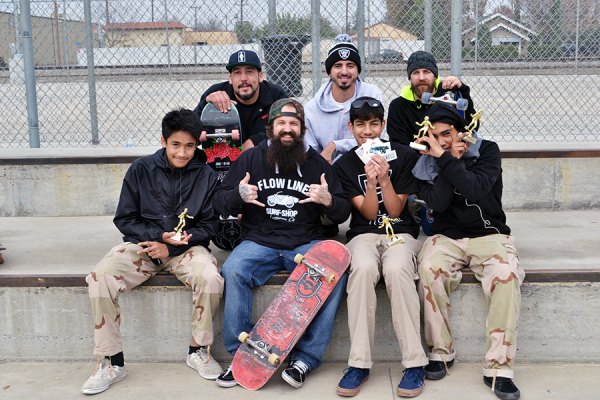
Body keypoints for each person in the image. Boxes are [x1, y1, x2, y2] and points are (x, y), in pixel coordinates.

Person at [81, 109, 224, 395]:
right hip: (145, 246)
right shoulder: (141, 169)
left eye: (189, 146)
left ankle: (198, 350)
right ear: (163, 140)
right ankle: (112, 362)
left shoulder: (206, 175)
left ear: (197, 145)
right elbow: (125, 219)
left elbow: (210, 226)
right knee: (101, 276)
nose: (182, 153)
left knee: (210, 277)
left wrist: (171, 245)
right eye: (176, 145)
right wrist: (157, 238)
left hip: (187, 248)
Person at [212, 98, 351, 389]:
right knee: (233, 268)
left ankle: (305, 358)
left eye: (293, 124)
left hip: (304, 241)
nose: (287, 129)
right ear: (271, 128)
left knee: (333, 275)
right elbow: (219, 202)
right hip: (258, 241)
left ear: (301, 129)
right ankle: (241, 356)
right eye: (282, 123)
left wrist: (327, 200)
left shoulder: (317, 164)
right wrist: (238, 194)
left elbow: (342, 212)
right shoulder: (250, 160)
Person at [413, 103, 524, 400]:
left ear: (461, 131)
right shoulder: (425, 161)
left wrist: (448, 161)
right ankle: (441, 351)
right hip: (447, 237)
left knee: (506, 273)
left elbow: (476, 189)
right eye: (435, 136)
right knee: (428, 268)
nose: (442, 141)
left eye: (447, 134)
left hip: (489, 234)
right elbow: (436, 203)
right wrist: (446, 160)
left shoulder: (487, 150)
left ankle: (499, 367)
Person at [333, 97, 427, 398]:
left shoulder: (401, 154)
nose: (368, 131)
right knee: (360, 269)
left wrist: (385, 178)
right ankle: (359, 363)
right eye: (360, 124)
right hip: (364, 234)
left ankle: (414, 362)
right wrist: (371, 183)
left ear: (383, 125)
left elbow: (397, 211)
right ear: (351, 126)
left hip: (401, 233)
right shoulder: (346, 164)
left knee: (398, 269)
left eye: (374, 123)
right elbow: (370, 214)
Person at [304, 35, 384, 163]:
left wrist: (335, 145)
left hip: (366, 165)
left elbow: (379, 144)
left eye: (350, 65)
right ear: (329, 71)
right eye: (338, 65)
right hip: (328, 171)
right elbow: (310, 153)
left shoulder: (372, 94)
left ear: (358, 70)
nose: (344, 71)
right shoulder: (311, 109)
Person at [193, 49, 288, 151]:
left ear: (260, 76)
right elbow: (190, 132)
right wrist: (205, 104)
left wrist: (255, 141)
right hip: (224, 159)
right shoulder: (216, 93)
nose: (243, 78)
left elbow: (287, 128)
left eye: (249, 71)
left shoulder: (276, 95)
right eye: (237, 72)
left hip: (265, 156)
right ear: (230, 78)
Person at [387, 50, 476, 147]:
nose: (421, 78)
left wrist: (462, 90)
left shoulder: (449, 95)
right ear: (410, 77)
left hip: (453, 153)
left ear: (435, 76)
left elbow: (472, 127)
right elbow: (398, 145)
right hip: (417, 158)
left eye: (426, 72)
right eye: (416, 73)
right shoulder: (398, 106)